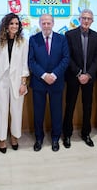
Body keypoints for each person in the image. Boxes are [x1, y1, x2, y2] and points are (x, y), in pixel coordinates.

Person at [28, 14, 70, 152]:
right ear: (40, 24)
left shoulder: (61, 39)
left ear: (53, 23)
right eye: (43, 23)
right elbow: (31, 61)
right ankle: (39, 138)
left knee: (56, 112)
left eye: (48, 23)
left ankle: (55, 138)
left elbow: (65, 59)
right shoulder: (33, 39)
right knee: (38, 112)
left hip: (56, 82)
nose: (46, 25)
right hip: (39, 81)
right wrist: (44, 75)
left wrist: (54, 74)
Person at [63, 9, 97, 148]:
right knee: (70, 105)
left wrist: (88, 74)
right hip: (74, 77)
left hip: (89, 78)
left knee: (88, 106)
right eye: (84, 18)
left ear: (92, 21)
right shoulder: (69, 35)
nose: (86, 21)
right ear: (79, 19)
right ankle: (67, 134)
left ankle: (86, 133)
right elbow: (68, 57)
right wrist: (79, 73)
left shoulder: (96, 37)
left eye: (89, 18)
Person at [0, 13, 29, 153]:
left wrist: (23, 83)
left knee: (16, 110)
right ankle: (2, 139)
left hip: (17, 81)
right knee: (2, 110)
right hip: (2, 81)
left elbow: (24, 64)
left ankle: (14, 137)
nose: (14, 26)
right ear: (6, 26)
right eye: (11, 23)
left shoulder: (23, 41)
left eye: (16, 24)